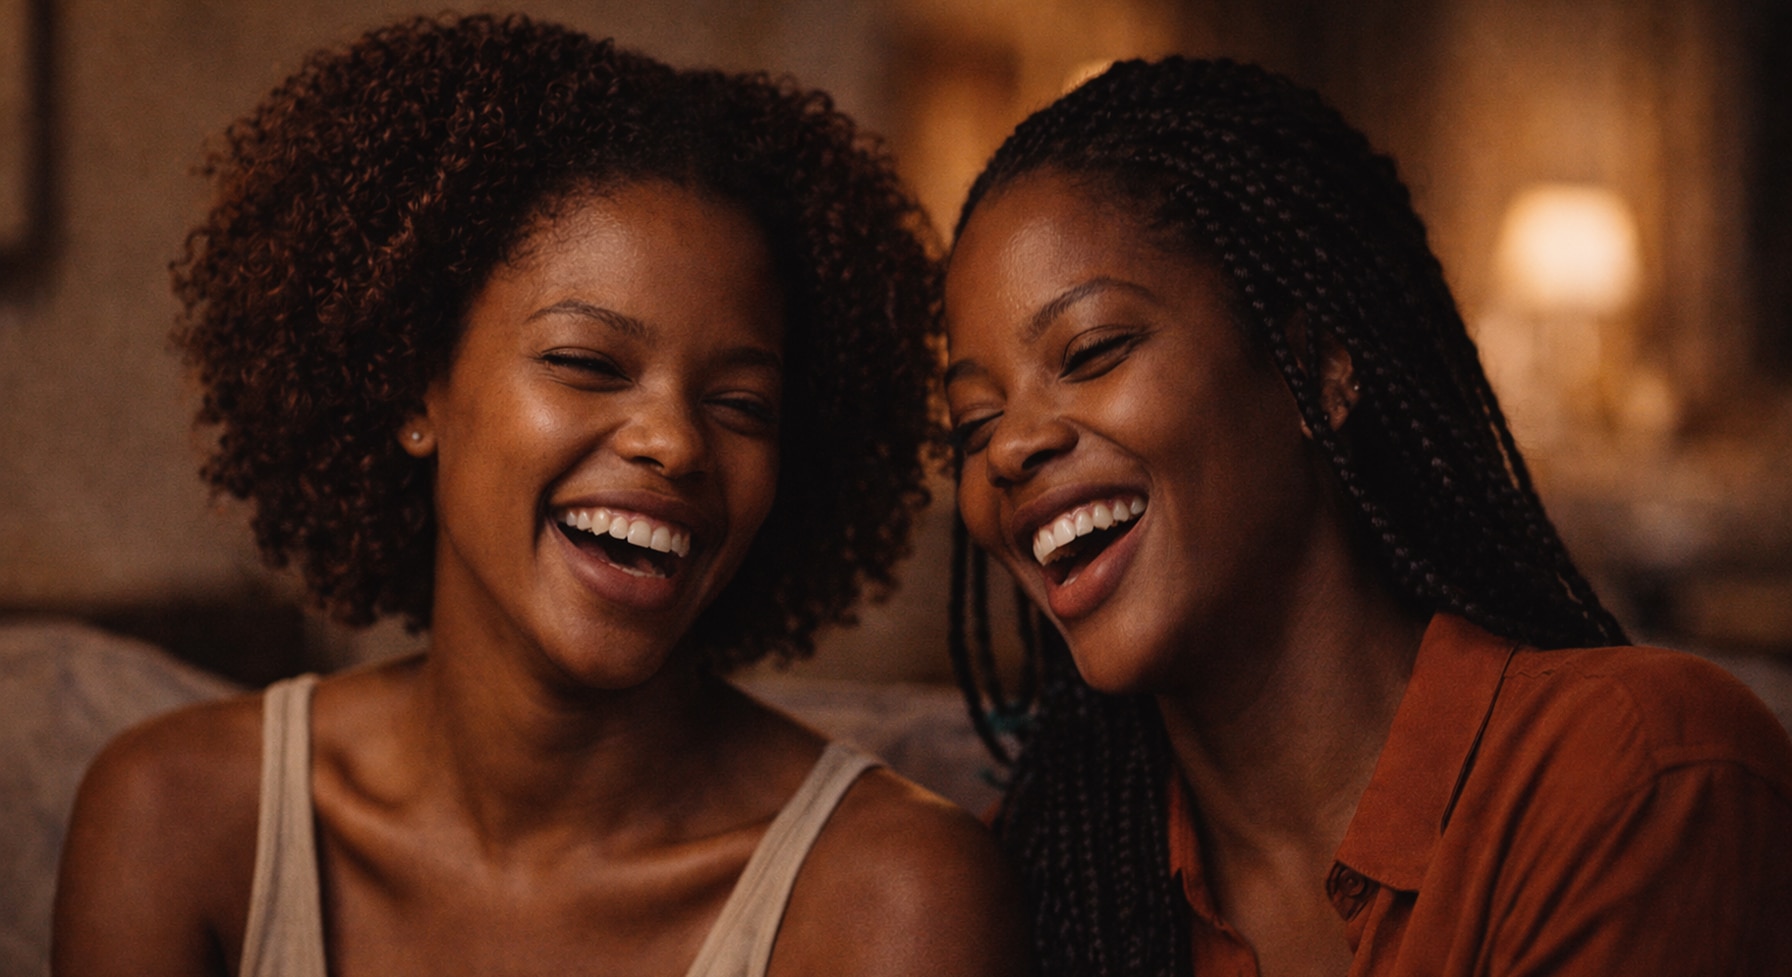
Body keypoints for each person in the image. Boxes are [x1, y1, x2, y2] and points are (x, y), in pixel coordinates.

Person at [53, 15, 1027, 977]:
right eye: (585, 362)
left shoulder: (893, 894)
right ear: (416, 386)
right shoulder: (175, 818)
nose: (674, 441)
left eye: (740, 404)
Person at [942, 56, 1792, 977]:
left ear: (1316, 367)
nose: (1009, 446)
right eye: (973, 422)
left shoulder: (1638, 775)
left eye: (1092, 351)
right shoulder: (1046, 881)